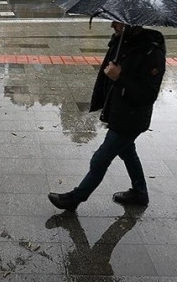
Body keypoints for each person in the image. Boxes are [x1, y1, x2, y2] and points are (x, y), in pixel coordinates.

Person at [48, 21, 166, 210]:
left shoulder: (152, 52)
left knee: (100, 159)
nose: (112, 25)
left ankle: (74, 199)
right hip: (119, 112)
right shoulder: (122, 42)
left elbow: (148, 95)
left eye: (118, 22)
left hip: (132, 118)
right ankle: (140, 192)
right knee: (128, 152)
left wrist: (119, 77)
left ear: (132, 24)